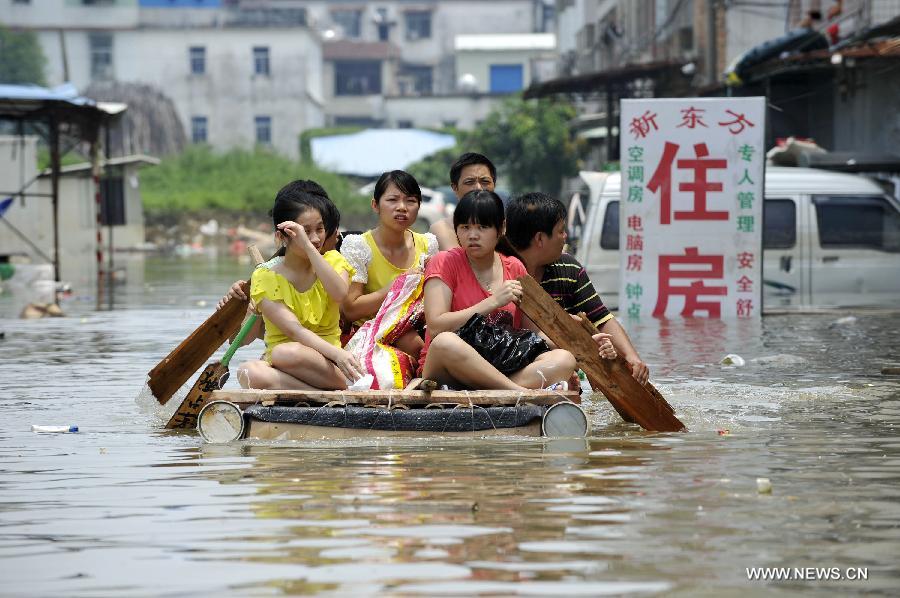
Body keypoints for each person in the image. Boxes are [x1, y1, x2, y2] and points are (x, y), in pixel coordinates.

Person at [419, 190, 594, 391]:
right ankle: (518, 392)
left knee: (564, 359)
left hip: (502, 366)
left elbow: (533, 333)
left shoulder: (514, 267)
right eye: (465, 227)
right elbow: (436, 327)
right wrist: (492, 302)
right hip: (450, 368)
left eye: (482, 227)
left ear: (501, 228)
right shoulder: (444, 261)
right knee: (445, 342)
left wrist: (577, 339)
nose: (472, 235)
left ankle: (502, 388)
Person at [505, 191, 650, 385]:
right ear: (540, 239)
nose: (565, 237)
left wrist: (632, 358)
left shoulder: (569, 268)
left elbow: (600, 318)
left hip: (556, 367)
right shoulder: (499, 272)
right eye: (560, 231)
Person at [234, 181, 364, 390]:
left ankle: (327, 389)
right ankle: (317, 395)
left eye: (319, 229)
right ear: (281, 235)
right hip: (282, 366)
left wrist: (308, 248)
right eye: (305, 231)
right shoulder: (265, 276)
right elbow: (294, 330)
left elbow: (339, 293)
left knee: (286, 352)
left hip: (327, 363)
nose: (314, 238)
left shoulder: (333, 260)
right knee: (248, 372)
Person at [339, 170, 438, 360]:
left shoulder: (428, 245)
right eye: (393, 200)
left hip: (416, 331)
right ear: (375, 205)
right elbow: (350, 310)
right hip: (370, 339)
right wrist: (398, 286)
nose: (402, 207)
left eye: (410, 201)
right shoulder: (358, 246)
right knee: (410, 341)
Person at [430, 152, 498, 250]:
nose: (478, 188)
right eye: (469, 182)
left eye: (485, 182)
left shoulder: (508, 229)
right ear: (455, 188)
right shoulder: (442, 229)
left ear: (494, 185)